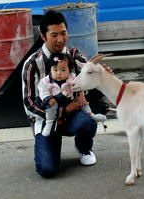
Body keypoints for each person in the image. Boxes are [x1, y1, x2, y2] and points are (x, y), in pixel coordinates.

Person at [21, 10, 108, 178]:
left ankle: (84, 148)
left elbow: (89, 70)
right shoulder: (32, 64)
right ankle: (50, 146)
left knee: (88, 122)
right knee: (48, 170)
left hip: (74, 117)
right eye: (54, 35)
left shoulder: (73, 54)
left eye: (63, 33)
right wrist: (63, 110)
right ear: (43, 37)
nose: (60, 39)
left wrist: (100, 72)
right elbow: (29, 103)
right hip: (46, 122)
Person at [37, 52, 107, 137]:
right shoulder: (45, 82)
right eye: (55, 70)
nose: (59, 73)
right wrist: (47, 98)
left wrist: (81, 95)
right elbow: (43, 92)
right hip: (54, 101)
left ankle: (91, 115)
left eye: (63, 70)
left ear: (69, 70)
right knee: (51, 107)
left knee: (82, 102)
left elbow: (80, 85)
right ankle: (49, 123)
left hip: (69, 100)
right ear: (50, 69)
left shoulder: (72, 78)